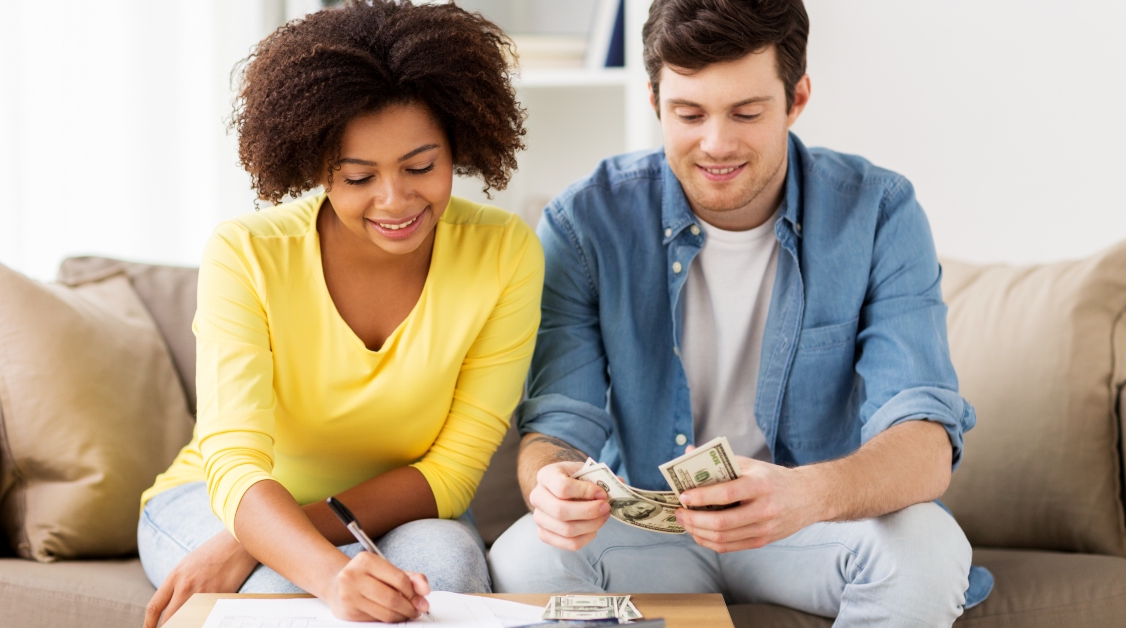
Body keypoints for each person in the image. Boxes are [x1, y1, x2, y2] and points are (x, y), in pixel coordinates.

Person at [488, 0, 993, 625]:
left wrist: (806, 494)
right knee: (523, 558)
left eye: (747, 113)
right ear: (653, 100)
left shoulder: (880, 212)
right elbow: (558, 422)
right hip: (652, 532)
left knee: (928, 547)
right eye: (689, 113)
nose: (716, 144)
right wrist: (553, 485)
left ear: (797, 98)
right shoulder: (583, 223)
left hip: (810, 524)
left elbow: (924, 440)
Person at [136, 1, 540, 626]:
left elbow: (451, 471)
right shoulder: (246, 254)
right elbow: (233, 459)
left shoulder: (504, 252)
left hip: (404, 508)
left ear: (457, 144)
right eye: (358, 178)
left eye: (421, 167)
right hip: (225, 505)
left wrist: (268, 545)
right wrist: (319, 568)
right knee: (284, 598)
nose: (394, 199)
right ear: (316, 167)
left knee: (444, 584)